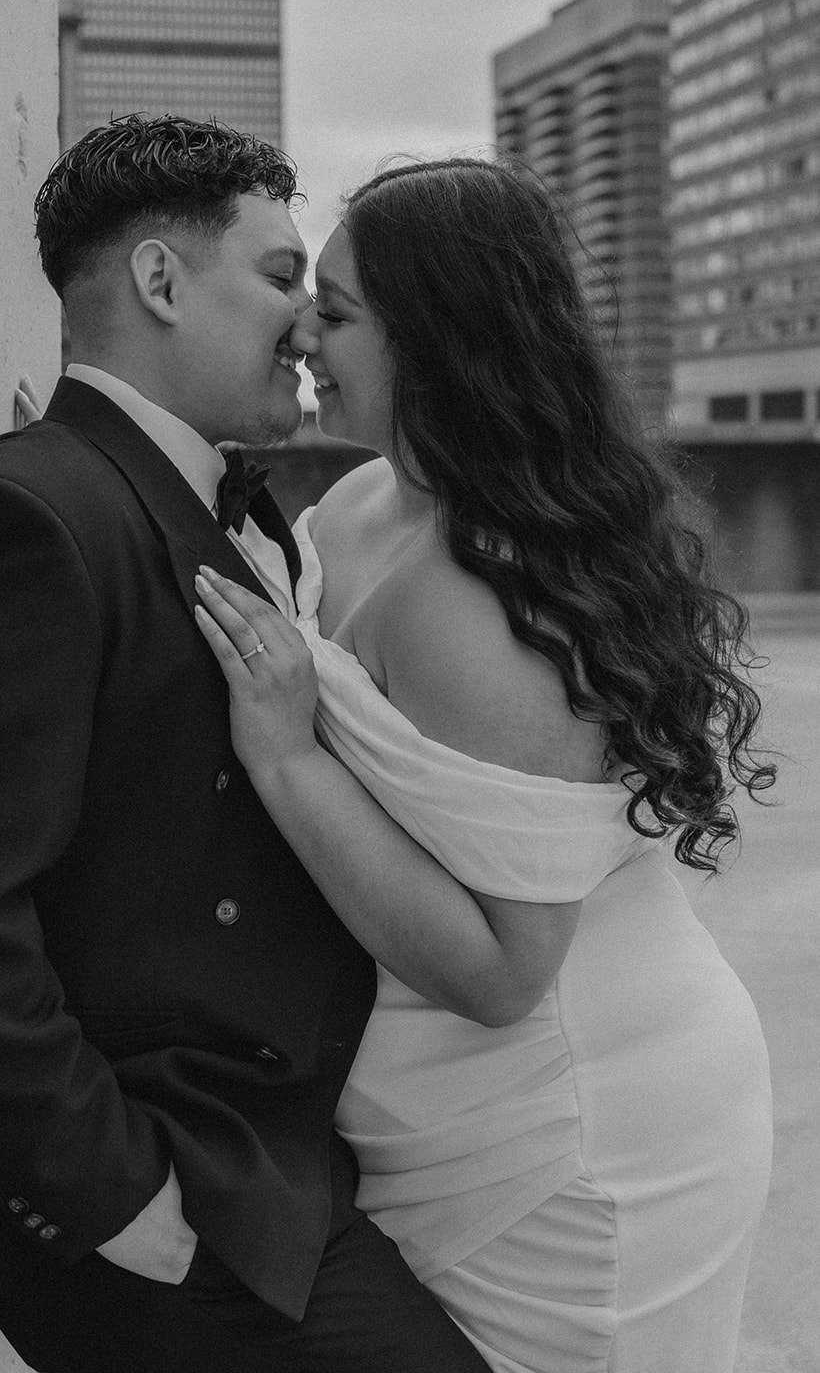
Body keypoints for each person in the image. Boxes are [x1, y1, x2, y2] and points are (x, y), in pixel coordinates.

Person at [0, 117, 489, 1373]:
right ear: (157, 281)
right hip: (169, 1189)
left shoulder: (229, 509)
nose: (306, 325)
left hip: (273, 1163)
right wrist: (118, 1201)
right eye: (281, 277)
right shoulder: (28, 515)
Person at [191, 156, 775, 1373]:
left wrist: (290, 762)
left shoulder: (474, 604)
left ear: (437, 342)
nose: (303, 328)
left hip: (574, 1126)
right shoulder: (362, 500)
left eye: (339, 312)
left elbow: (509, 969)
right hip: (441, 1104)